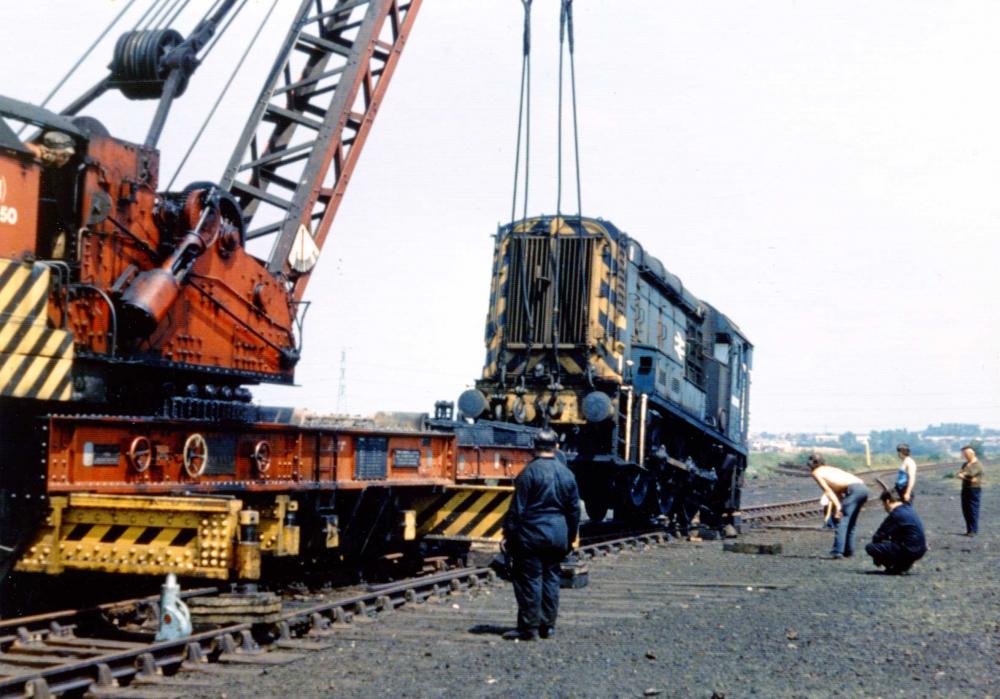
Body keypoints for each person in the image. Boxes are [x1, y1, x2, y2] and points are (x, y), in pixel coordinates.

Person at [501, 428, 580, 641]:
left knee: (530, 580)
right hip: (558, 535)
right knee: (552, 579)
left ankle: (529, 628)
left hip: (531, 535)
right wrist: (571, 538)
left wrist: (508, 535)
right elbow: (574, 511)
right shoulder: (567, 474)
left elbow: (517, 510)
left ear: (534, 447)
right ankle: (548, 627)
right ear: (556, 447)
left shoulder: (528, 473)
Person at [808, 453, 869, 558]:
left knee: (842, 520)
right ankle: (849, 551)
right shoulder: (830, 469)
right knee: (851, 521)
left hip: (853, 490)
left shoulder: (816, 472)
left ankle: (838, 551)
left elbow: (828, 491)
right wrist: (839, 504)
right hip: (864, 489)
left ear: (813, 463)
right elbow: (838, 491)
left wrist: (839, 508)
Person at [865, 483, 927, 574]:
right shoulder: (907, 509)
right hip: (920, 549)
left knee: (870, 547)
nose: (884, 508)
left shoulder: (896, 514)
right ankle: (902, 565)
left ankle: (894, 567)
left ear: (887, 501)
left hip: (909, 550)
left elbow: (879, 535)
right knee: (895, 542)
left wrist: (877, 558)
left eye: (883, 505)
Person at [956, 445, 983, 536]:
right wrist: (965, 476)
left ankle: (973, 530)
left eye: (966, 453)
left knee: (973, 509)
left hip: (974, 489)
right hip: (965, 489)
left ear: (972, 453)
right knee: (966, 510)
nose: (964, 455)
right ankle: (969, 530)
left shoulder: (977, 465)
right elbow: (959, 474)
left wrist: (964, 476)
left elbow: (969, 474)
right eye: (964, 454)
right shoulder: (965, 464)